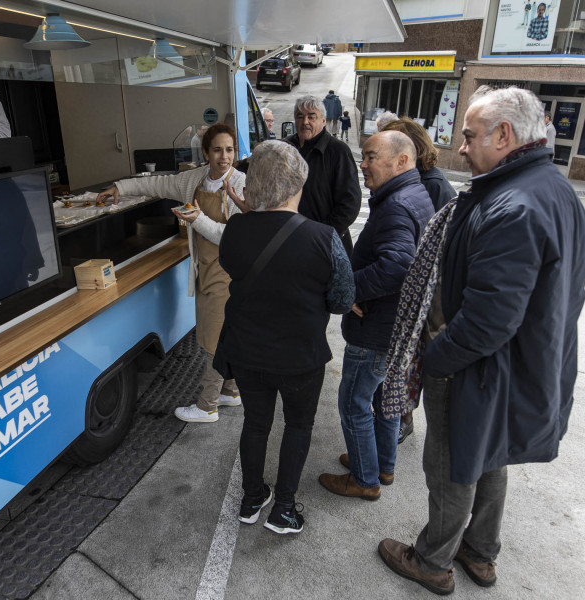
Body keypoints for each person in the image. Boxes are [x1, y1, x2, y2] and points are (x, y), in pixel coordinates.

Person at [377, 86, 585, 595]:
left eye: (471, 137)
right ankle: (480, 550)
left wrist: (437, 358)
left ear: (504, 134)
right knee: (489, 454)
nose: (462, 148)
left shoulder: (514, 204)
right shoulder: (549, 188)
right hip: (515, 364)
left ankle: (432, 560)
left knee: (450, 465)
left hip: (478, 364)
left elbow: (490, 318)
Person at [213, 140, 355, 534]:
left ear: (252, 184)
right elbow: (343, 300)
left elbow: (235, 261)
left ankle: (251, 497)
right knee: (297, 425)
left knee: (256, 423)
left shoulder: (235, 230)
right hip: (301, 356)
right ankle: (285, 510)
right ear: (299, 182)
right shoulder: (325, 237)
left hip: (246, 351)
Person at [96, 124, 246, 423]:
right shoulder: (195, 180)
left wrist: (198, 219)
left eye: (229, 150)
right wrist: (120, 188)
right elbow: (158, 184)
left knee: (213, 338)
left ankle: (207, 407)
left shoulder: (240, 184)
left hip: (230, 271)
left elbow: (234, 237)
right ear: (206, 153)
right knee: (220, 332)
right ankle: (230, 391)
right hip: (205, 268)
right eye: (217, 149)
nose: (224, 156)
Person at [318, 131, 433, 501]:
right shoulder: (413, 194)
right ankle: (382, 464)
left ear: (401, 161)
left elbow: (398, 266)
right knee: (384, 400)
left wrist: (349, 289)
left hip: (376, 327)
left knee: (353, 401)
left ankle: (365, 479)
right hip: (393, 326)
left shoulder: (397, 205)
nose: (362, 165)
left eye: (370, 156)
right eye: (363, 156)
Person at [379, 117, 456, 444]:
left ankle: (402, 420)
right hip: (409, 287)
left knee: (408, 362)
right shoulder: (417, 180)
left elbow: (437, 245)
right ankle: (396, 418)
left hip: (423, 293)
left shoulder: (434, 184)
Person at [284, 96, 361, 255]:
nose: (305, 121)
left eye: (312, 117)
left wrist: (322, 233)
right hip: (288, 240)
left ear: (324, 121)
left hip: (325, 245)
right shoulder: (284, 148)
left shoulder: (338, 151)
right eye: (300, 116)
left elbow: (350, 204)